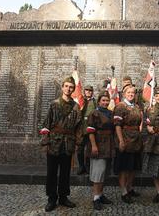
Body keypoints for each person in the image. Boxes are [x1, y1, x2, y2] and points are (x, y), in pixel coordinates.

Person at [40, 76, 81, 212]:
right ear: (62, 87)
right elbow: (46, 125)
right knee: (51, 172)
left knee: (65, 173)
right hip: (54, 143)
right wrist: (45, 143)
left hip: (68, 143)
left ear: (73, 89)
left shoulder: (76, 106)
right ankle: (52, 199)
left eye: (71, 87)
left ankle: (63, 197)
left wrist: (77, 143)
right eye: (67, 86)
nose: (69, 89)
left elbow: (79, 127)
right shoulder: (54, 104)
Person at [113, 84, 143, 203]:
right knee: (124, 168)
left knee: (133, 168)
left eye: (133, 93)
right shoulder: (120, 106)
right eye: (129, 93)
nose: (131, 94)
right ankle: (123, 191)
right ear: (124, 94)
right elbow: (117, 125)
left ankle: (130, 188)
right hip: (125, 140)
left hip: (135, 142)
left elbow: (139, 123)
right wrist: (121, 141)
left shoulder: (136, 106)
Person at [86, 91, 114, 210]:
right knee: (98, 173)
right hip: (98, 144)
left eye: (107, 100)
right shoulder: (94, 113)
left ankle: (101, 195)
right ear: (98, 101)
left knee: (104, 172)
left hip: (108, 145)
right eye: (103, 100)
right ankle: (96, 198)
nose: (105, 102)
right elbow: (90, 131)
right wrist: (94, 146)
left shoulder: (110, 113)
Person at [77, 85, 96, 175]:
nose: (88, 92)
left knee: (89, 148)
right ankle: (81, 166)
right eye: (86, 90)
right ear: (84, 91)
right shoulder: (81, 101)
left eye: (90, 90)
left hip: (90, 128)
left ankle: (88, 166)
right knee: (80, 149)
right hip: (81, 128)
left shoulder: (95, 102)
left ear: (92, 92)